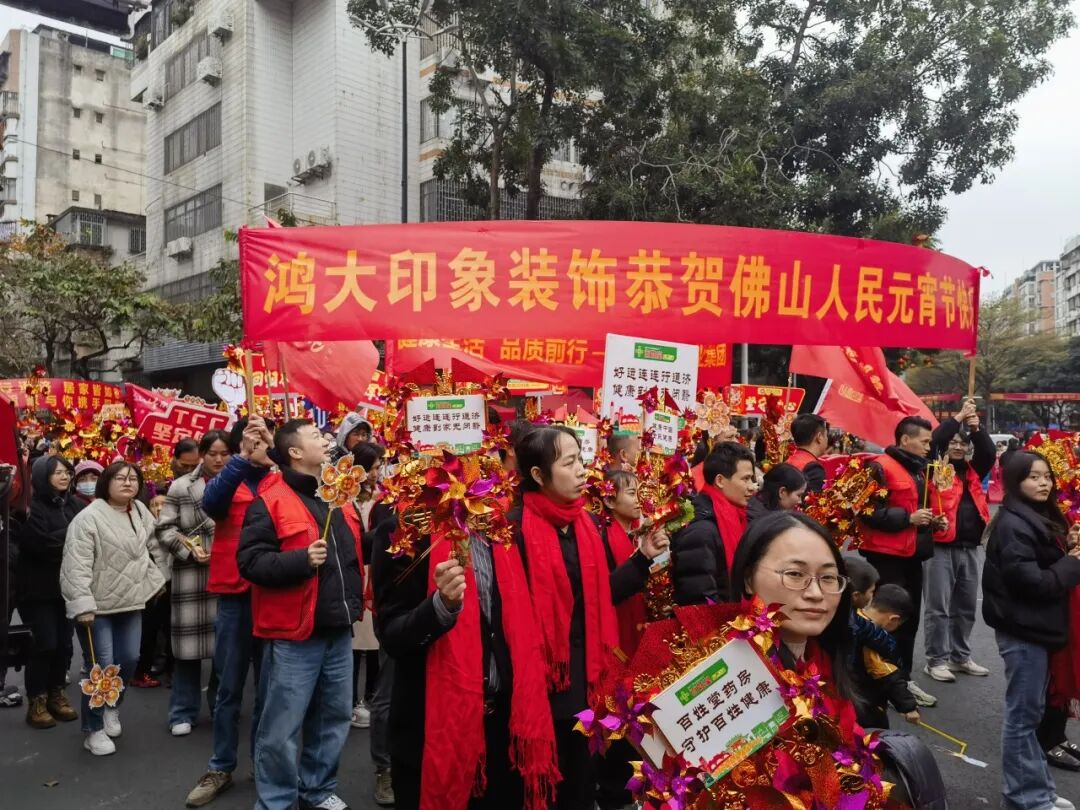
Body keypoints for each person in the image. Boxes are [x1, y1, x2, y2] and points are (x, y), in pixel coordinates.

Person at [371, 471, 561, 810]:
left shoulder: (501, 527)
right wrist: (440, 606)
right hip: (434, 727)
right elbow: (392, 636)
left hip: (504, 727)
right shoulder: (404, 532)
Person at [513, 426, 668, 809]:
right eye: (569, 463)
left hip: (587, 682)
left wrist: (642, 559)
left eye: (580, 460)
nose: (582, 470)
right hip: (541, 687)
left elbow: (599, 596)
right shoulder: (514, 531)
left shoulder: (583, 526)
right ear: (538, 475)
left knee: (581, 788)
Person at [237, 419, 364, 810]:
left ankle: (317, 788)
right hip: (294, 633)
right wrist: (300, 560)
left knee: (333, 717)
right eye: (314, 436)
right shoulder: (270, 500)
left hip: (338, 628)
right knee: (282, 725)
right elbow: (250, 562)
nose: (325, 440)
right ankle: (276, 800)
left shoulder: (338, 495)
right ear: (294, 452)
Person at [983, 451, 1080, 810]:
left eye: (1047, 476)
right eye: (1033, 477)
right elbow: (1031, 582)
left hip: (1036, 627)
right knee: (1022, 719)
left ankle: (1039, 791)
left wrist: (1068, 549)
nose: (1044, 483)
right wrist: (1072, 563)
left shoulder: (1035, 515)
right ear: (1014, 480)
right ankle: (1024, 798)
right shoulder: (1013, 525)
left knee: (1031, 715)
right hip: (1023, 631)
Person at [186, 416, 274, 808]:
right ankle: (220, 766)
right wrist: (241, 458)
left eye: (264, 438)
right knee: (228, 688)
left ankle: (263, 762)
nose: (259, 445)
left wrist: (272, 452)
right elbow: (212, 505)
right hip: (235, 598)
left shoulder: (280, 479)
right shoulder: (226, 480)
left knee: (270, 689)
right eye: (252, 439)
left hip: (273, 593)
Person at [60, 461, 166, 756]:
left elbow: (155, 545)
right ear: (106, 482)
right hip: (96, 606)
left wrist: (158, 578)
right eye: (120, 478)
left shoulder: (140, 511)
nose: (127, 483)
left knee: (129, 659)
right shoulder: (88, 518)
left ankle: (112, 705)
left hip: (131, 601)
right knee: (101, 665)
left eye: (133, 478)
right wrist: (82, 604)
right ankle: (93, 729)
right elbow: (75, 565)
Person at [858, 416, 941, 709]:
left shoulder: (919, 470)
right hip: (886, 557)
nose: (928, 447)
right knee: (884, 620)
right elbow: (866, 510)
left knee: (908, 620)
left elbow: (918, 510)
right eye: (924, 441)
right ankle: (882, 680)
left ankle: (902, 679)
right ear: (905, 439)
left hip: (912, 555)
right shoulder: (880, 467)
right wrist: (908, 518)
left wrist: (932, 522)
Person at [156, 430, 231, 736]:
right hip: (191, 577)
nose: (218, 459)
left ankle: (220, 706)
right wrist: (188, 549)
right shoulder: (181, 486)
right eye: (212, 453)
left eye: (224, 453)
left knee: (225, 651)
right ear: (202, 454)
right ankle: (182, 711)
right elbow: (164, 528)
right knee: (186, 653)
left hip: (228, 575)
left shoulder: (239, 483)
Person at [923, 398, 995, 683]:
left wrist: (975, 428)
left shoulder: (974, 471)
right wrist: (958, 417)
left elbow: (988, 451)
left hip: (970, 548)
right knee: (938, 609)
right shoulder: (934, 468)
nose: (957, 446)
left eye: (962, 443)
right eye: (953, 442)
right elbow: (935, 440)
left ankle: (960, 656)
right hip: (940, 547)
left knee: (965, 607)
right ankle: (936, 660)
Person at [16, 456, 83, 728]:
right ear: (43, 476)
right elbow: (40, 544)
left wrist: (67, 540)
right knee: (45, 644)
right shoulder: (30, 507)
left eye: (67, 471)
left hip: (67, 587)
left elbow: (86, 539)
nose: (64, 476)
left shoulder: (74, 504)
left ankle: (57, 694)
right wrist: (73, 539)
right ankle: (37, 700)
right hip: (36, 590)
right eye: (57, 472)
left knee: (64, 645)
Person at [348, 441, 396, 806]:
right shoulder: (388, 508)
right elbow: (370, 553)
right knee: (388, 693)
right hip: (392, 608)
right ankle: (385, 768)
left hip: (438, 611)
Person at [671, 441, 757, 606]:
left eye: (751, 478)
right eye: (746, 479)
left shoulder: (737, 516)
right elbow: (700, 599)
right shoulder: (702, 531)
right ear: (720, 480)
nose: (751, 487)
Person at [855, 584, 921, 729]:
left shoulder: (853, 617)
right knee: (876, 731)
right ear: (893, 619)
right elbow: (887, 674)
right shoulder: (873, 639)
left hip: (841, 688)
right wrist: (908, 706)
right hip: (863, 699)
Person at [785, 414, 828, 493]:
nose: (827, 439)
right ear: (819, 437)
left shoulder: (788, 461)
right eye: (826, 435)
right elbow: (813, 499)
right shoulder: (813, 468)